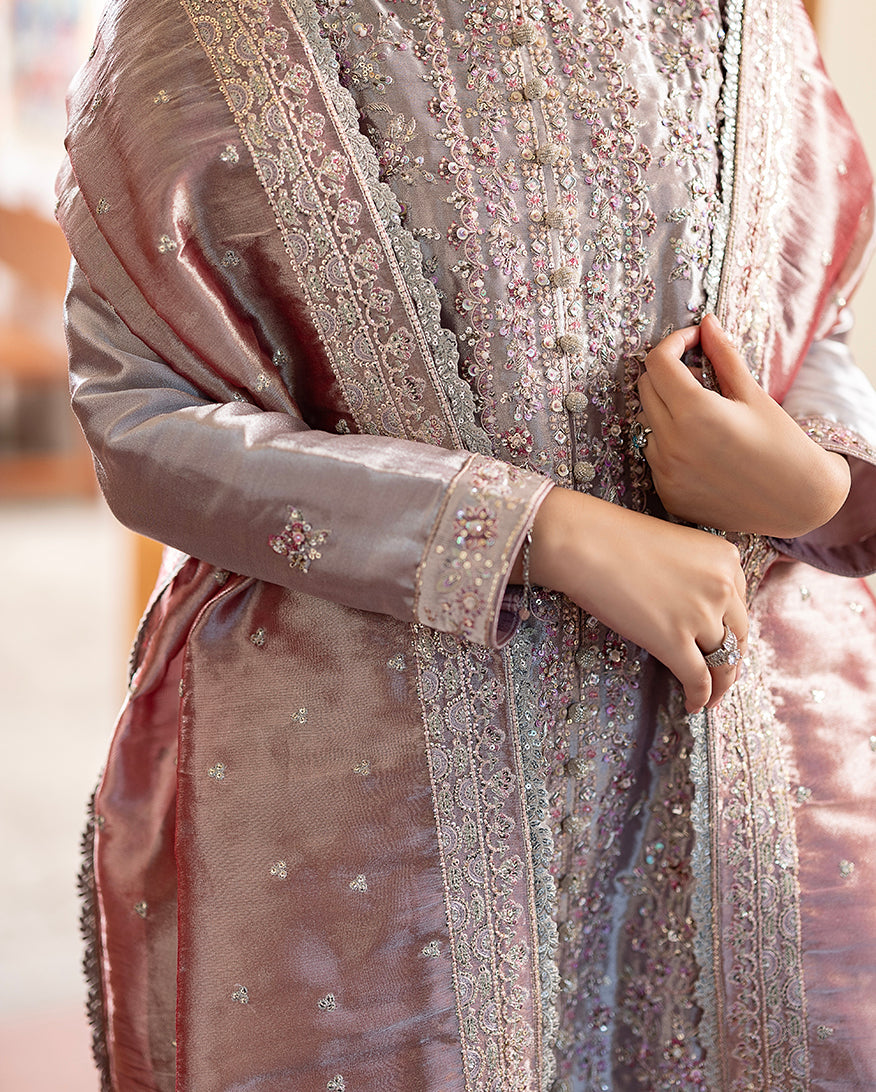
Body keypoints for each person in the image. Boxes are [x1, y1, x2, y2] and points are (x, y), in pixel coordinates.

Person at [58, 0, 876, 1087]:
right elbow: (145, 419)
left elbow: (812, 317)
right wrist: (532, 530)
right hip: (375, 802)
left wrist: (816, 481)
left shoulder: (749, 17)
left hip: (752, 755)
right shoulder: (204, 27)